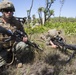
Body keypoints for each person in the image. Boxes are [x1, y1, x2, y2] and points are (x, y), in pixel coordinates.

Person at [0, 0, 28, 68]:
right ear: (2, 11)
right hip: (2, 48)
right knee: (2, 66)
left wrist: (25, 37)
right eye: (6, 10)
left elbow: (23, 33)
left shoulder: (16, 22)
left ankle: (17, 58)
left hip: (13, 46)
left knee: (23, 46)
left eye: (11, 10)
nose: (9, 12)